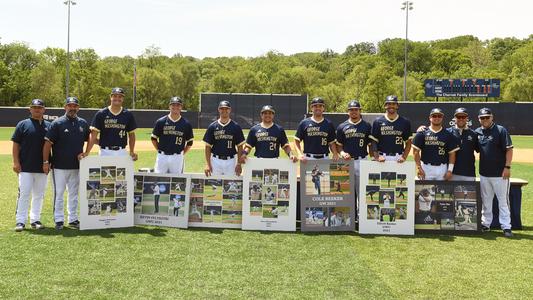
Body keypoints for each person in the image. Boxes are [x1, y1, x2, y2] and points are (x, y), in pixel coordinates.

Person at [43, 97, 90, 230]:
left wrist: (87, 152)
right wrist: (46, 161)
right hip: (59, 166)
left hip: (76, 166)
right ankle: (59, 219)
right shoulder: (58, 123)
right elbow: (47, 144)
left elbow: (91, 138)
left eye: (74, 106)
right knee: (59, 193)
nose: (72, 108)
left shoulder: (82, 123)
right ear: (65, 107)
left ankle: (73, 218)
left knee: (74, 194)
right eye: (69, 105)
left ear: (78, 108)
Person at [12, 99, 51, 232]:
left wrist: (49, 163)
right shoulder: (23, 124)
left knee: (39, 195)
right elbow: (16, 144)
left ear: (44, 110)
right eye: (34, 107)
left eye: (39, 107)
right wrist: (16, 162)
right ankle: (20, 221)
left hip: (42, 168)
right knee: (24, 194)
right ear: (30, 109)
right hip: (25, 167)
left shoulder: (49, 125)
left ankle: (35, 220)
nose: (37, 109)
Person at [475, 108, 514, 237]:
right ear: (479, 119)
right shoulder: (477, 132)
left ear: (492, 117)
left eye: (487, 117)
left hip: (500, 174)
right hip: (484, 173)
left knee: (503, 201)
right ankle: (486, 224)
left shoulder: (500, 130)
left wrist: (507, 167)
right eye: (482, 118)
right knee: (486, 201)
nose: (485, 119)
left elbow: (509, 149)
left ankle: (506, 227)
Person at [85, 87, 138, 160]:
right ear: (111, 97)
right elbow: (93, 135)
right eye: (115, 96)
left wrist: (132, 151)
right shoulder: (101, 114)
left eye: (120, 96)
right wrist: (87, 152)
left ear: (123, 99)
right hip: (105, 152)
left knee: (122, 171)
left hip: (121, 151)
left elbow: (132, 135)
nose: (117, 98)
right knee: (105, 171)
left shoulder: (128, 114)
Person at [336, 100, 372, 199]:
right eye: (351, 110)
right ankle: (350, 214)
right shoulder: (341, 126)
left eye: (356, 109)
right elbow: (339, 145)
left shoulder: (367, 126)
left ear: (360, 111)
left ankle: (360, 214)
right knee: (346, 190)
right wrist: (342, 153)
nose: (354, 112)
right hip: (347, 161)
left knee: (362, 191)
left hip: (362, 161)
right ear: (348, 111)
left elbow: (370, 145)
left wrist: (373, 159)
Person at [412, 108, 460, 180]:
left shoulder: (448, 134)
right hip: (426, 167)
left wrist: (450, 170)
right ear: (430, 118)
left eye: (439, 116)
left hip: (442, 168)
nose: (437, 118)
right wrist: (419, 168)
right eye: (434, 116)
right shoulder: (422, 133)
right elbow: (416, 152)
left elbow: (452, 154)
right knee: (423, 190)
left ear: (442, 118)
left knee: (442, 190)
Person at [151, 97, 194, 174]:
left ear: (181, 107)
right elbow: (153, 138)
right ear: (169, 106)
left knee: (176, 182)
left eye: (178, 105)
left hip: (177, 157)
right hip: (162, 156)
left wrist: (182, 153)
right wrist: (159, 150)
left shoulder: (186, 124)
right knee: (158, 180)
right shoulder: (161, 121)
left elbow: (190, 142)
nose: (175, 107)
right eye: (173, 105)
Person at [203, 100, 245, 176]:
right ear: (219, 110)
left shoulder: (236, 126)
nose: (224, 110)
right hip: (216, 161)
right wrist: (208, 164)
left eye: (226, 109)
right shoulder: (212, 126)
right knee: (215, 185)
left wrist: (239, 164)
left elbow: (240, 147)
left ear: (230, 110)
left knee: (231, 184)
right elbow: (207, 147)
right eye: (222, 108)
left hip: (231, 161)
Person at [294, 97, 339, 162]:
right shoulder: (304, 123)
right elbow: (296, 140)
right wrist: (299, 154)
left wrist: (335, 153)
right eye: (315, 106)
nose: (318, 108)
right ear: (311, 108)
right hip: (308, 158)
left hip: (324, 158)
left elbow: (332, 142)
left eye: (320, 106)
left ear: (323, 108)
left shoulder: (329, 124)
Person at [370, 95, 412, 162]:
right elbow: (373, 141)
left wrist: (404, 157)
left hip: (398, 157)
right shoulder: (378, 121)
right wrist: (377, 156)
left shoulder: (405, 122)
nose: (391, 106)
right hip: (382, 156)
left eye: (394, 104)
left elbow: (408, 142)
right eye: (389, 104)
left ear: (397, 106)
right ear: (385, 106)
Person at [447, 108, 479, 181]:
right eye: (458, 117)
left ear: (467, 118)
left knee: (470, 192)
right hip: (452, 173)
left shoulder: (473, 134)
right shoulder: (448, 132)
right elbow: (435, 132)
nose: (461, 119)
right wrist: (423, 129)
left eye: (463, 117)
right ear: (454, 118)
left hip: (469, 173)